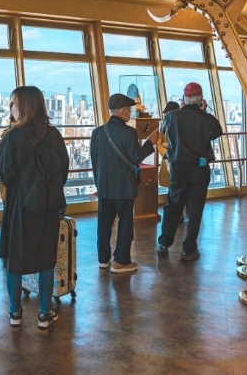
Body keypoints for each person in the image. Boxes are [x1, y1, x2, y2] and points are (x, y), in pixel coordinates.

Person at [0, 86, 69, 329]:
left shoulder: (13, 137)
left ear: (24, 106)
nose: (11, 108)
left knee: (15, 260)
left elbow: (4, 175)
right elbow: (63, 171)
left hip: (19, 208)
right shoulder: (53, 135)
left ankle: (15, 312)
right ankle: (45, 313)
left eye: (14, 103)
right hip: (47, 206)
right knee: (46, 258)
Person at [90, 93, 159, 274]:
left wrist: (99, 185)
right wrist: (150, 143)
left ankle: (103, 259)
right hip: (125, 187)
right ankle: (121, 261)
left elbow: (95, 162)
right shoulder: (129, 132)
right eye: (129, 110)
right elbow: (136, 157)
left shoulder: (97, 132)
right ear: (122, 111)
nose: (130, 113)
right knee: (125, 224)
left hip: (105, 186)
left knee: (104, 224)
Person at [157, 82, 223, 261]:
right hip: (200, 168)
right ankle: (189, 249)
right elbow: (217, 132)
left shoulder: (172, 117)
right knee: (195, 208)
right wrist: (204, 111)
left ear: (184, 99)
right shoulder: (207, 119)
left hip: (178, 168)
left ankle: (164, 243)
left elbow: (163, 130)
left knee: (173, 205)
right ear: (201, 99)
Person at [158, 101, 187, 222]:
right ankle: (177, 214)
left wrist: (167, 147)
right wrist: (166, 153)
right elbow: (159, 144)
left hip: (178, 161)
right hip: (168, 161)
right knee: (172, 188)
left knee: (178, 188)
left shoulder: (182, 125)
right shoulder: (162, 126)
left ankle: (178, 213)